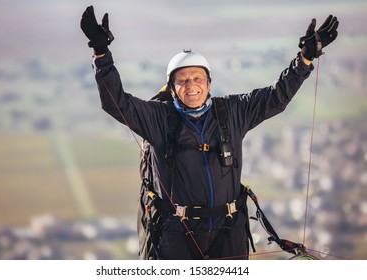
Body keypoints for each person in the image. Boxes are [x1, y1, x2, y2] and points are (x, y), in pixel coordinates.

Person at [80, 6, 339, 260]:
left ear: (209, 83)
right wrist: (101, 54)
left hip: (229, 231)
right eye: (182, 80)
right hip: (175, 235)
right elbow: (116, 103)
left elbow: (276, 97)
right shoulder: (158, 117)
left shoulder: (232, 112)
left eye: (197, 78)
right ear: (172, 88)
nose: (191, 85)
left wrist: (304, 59)